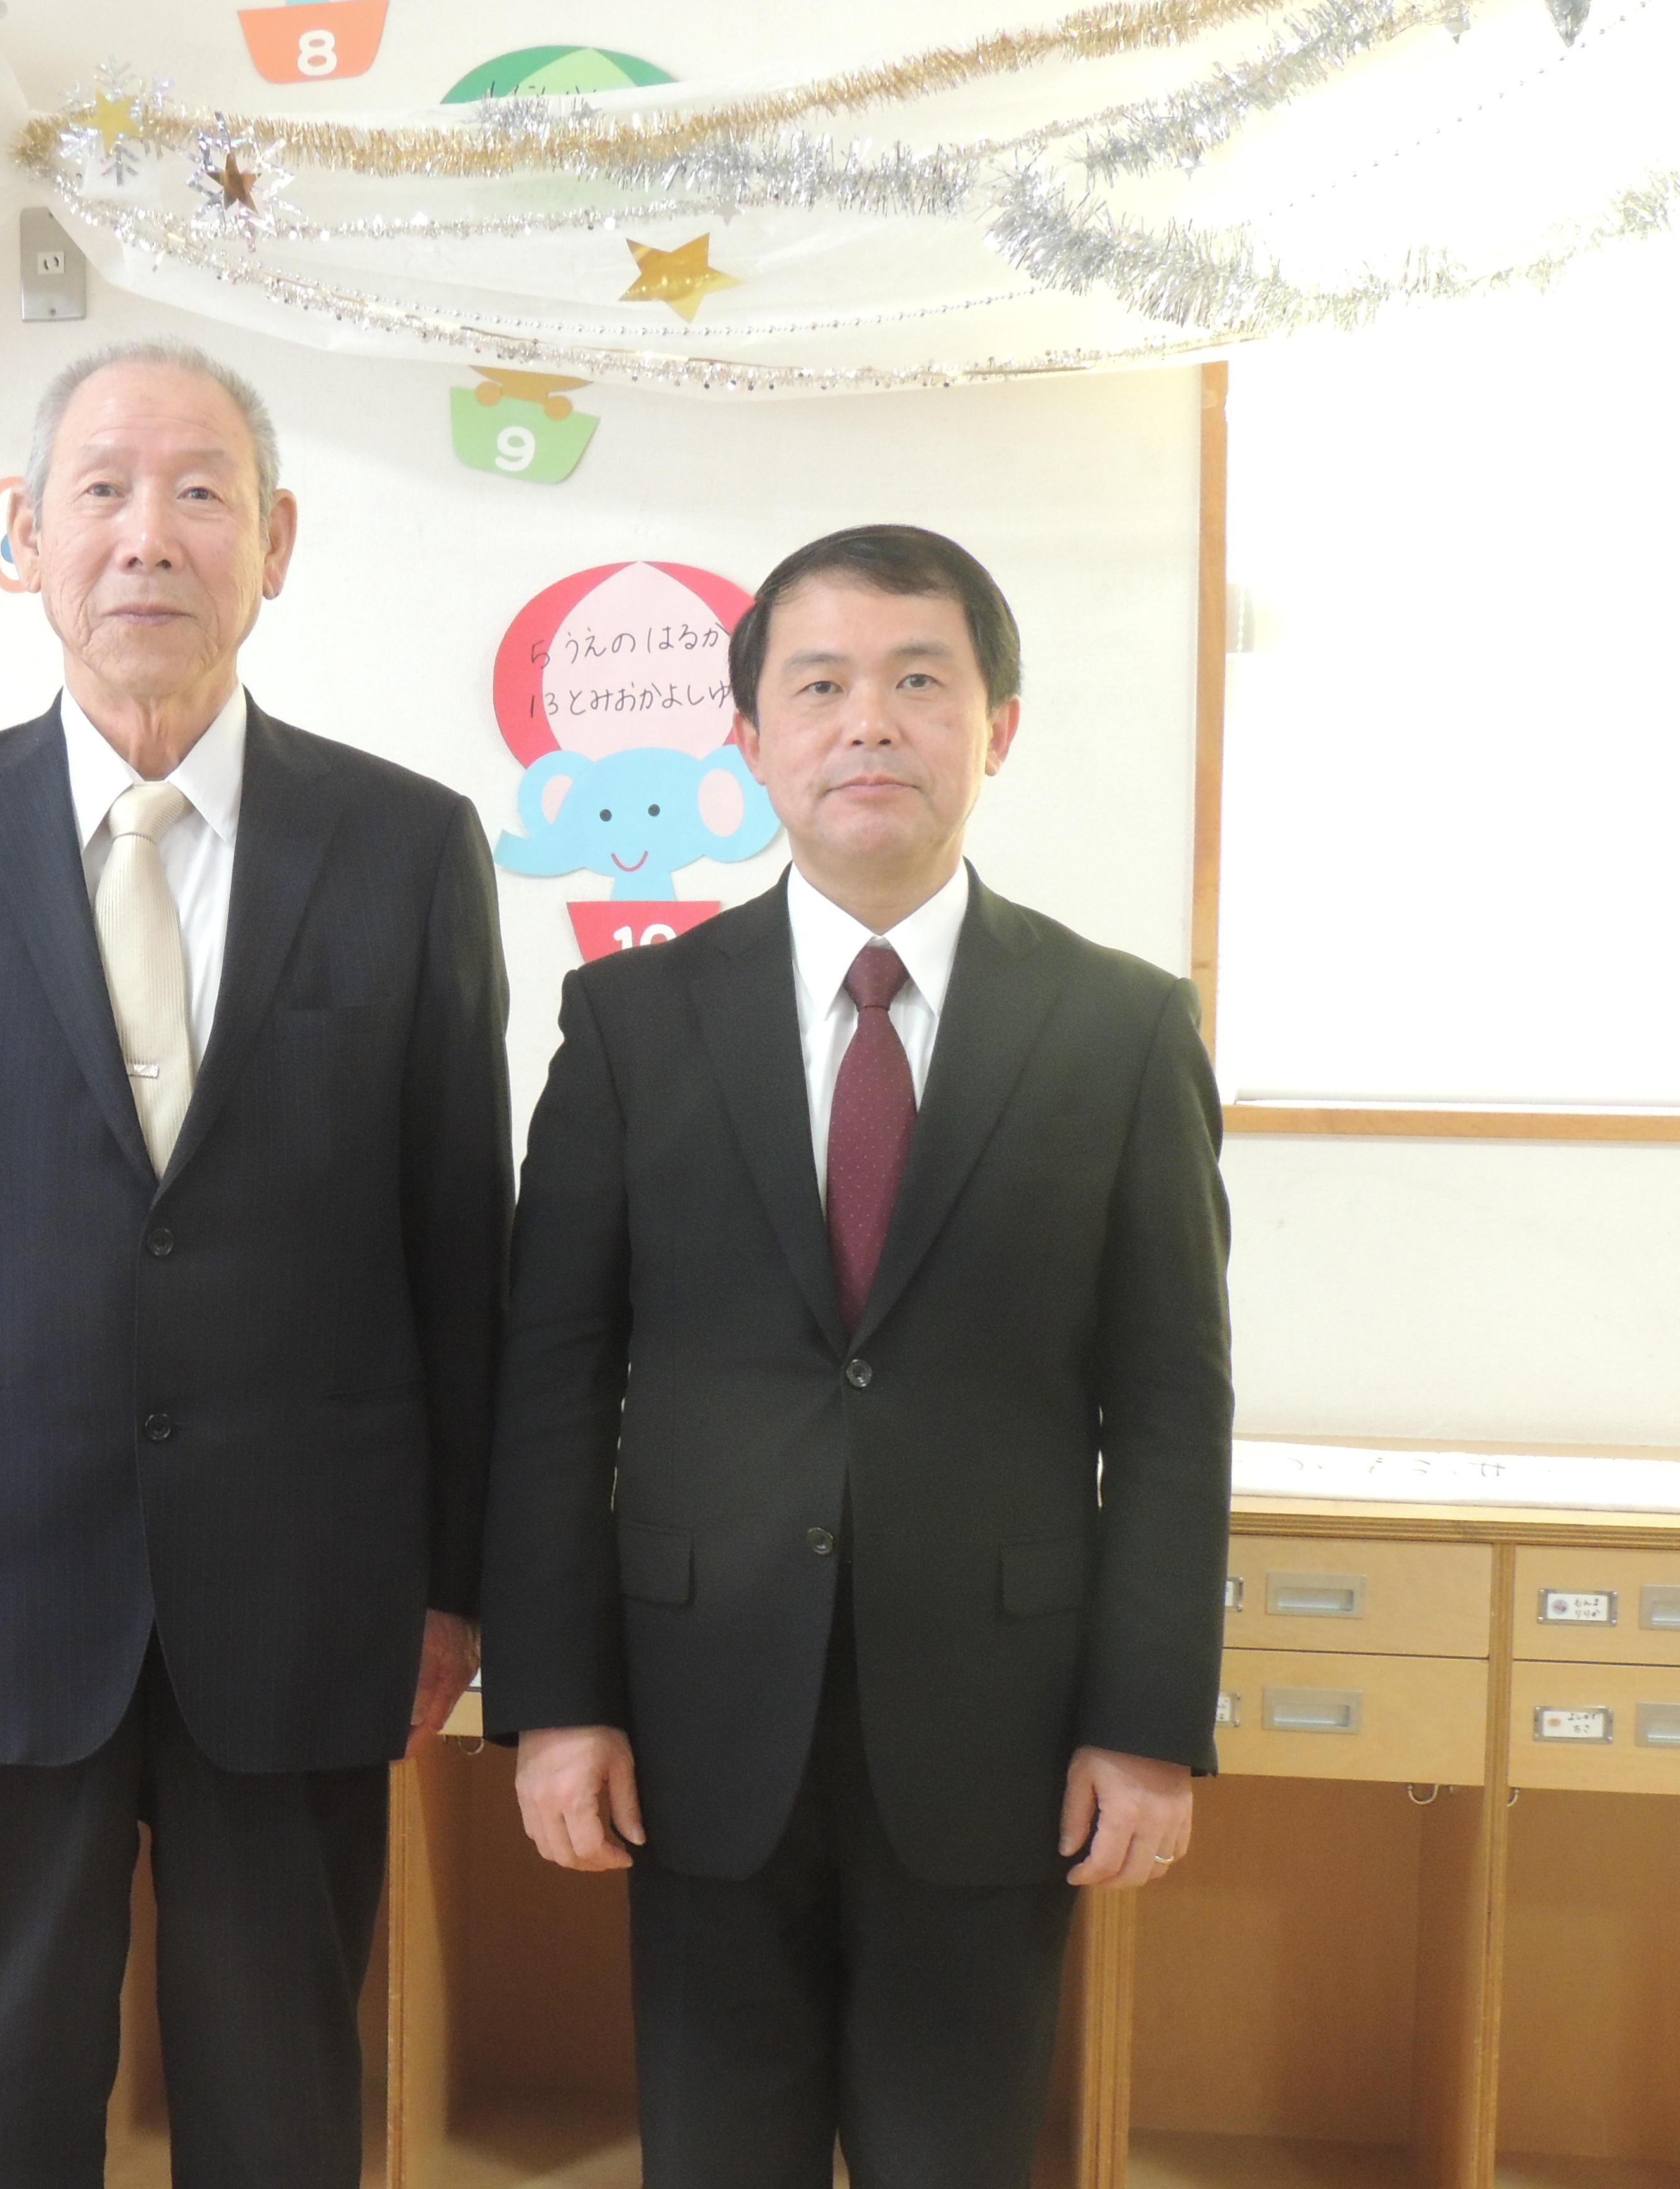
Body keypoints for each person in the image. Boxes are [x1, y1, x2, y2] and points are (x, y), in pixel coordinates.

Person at [0, 341, 512, 2189]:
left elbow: (460, 1244)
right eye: (101, 490)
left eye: (201, 491)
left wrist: (454, 1581)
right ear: (25, 536)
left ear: (278, 541)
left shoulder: (408, 844)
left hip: (308, 1582)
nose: (148, 535)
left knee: (281, 2091)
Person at [481, 524, 1232, 2188]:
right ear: (751, 739)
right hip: (694, 1723)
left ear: (998, 728)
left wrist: (1146, 1722)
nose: (869, 723)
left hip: (1000, 1730)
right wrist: (557, 1702)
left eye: (919, 681)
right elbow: (554, 1387)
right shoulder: (631, 1024)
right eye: (819, 686)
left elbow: (1175, 1407)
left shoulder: (1120, 1030)